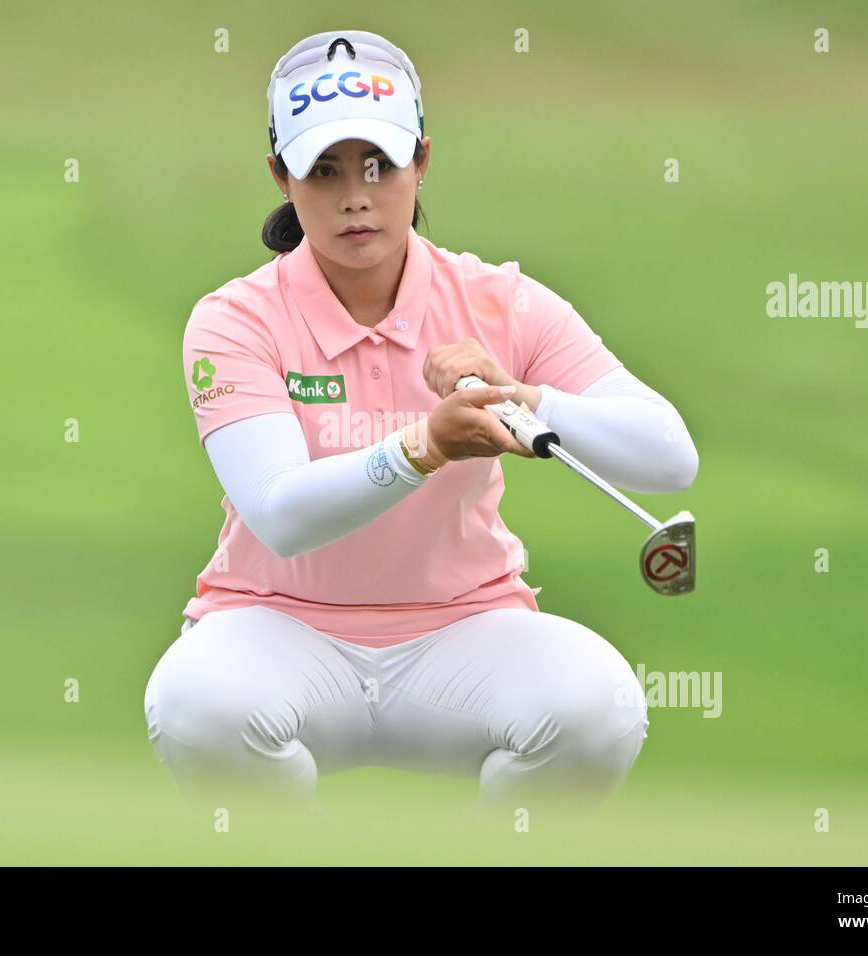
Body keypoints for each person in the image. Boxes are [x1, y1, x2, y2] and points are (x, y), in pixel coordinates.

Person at [143, 29, 699, 817]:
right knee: (199, 703)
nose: (355, 196)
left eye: (379, 165)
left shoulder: (497, 301)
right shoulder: (235, 319)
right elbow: (280, 515)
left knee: (597, 707)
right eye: (323, 170)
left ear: (421, 162)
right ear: (280, 176)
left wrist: (531, 400)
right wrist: (425, 447)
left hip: (465, 634)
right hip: (278, 630)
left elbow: (669, 456)